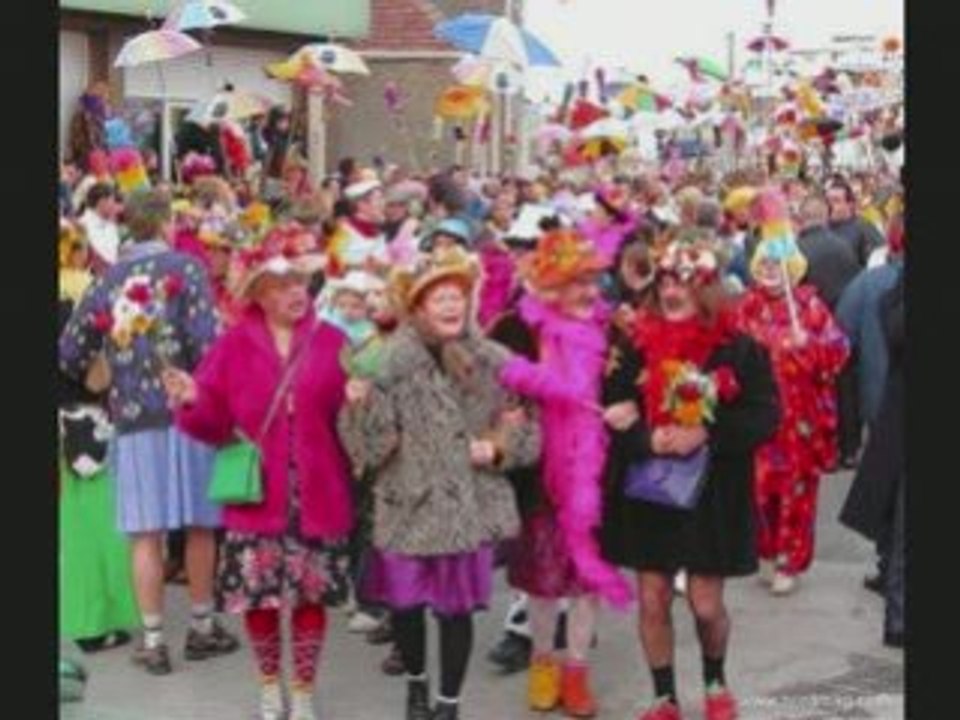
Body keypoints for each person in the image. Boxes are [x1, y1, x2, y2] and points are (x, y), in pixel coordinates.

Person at [338, 247, 541, 720]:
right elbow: (368, 449)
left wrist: (497, 448)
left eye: (458, 296)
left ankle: (448, 705)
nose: (451, 306)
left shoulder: (493, 359)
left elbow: (526, 423)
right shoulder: (388, 363)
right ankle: (416, 689)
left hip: (464, 505)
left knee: (456, 611)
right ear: (418, 307)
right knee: (406, 609)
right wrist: (358, 405)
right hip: (407, 502)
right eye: (439, 298)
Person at [163, 223, 352, 720]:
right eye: (283, 285)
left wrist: (363, 405)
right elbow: (212, 422)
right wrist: (191, 399)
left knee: (309, 598)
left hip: (318, 489)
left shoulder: (335, 342)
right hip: (258, 494)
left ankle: (305, 691)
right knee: (261, 600)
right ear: (261, 295)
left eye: (300, 283)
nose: (296, 292)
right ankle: (270, 687)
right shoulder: (233, 344)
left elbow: (353, 424)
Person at [59, 188, 238, 675]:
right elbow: (209, 345)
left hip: (135, 419)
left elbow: (69, 352)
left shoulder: (105, 281)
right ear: (164, 225)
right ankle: (202, 627)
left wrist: (110, 368)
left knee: (146, 534)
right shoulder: (188, 269)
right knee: (201, 524)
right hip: (189, 413)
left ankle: (154, 639)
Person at [601, 240, 780, 720]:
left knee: (705, 606)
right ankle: (665, 698)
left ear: (705, 287)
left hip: (712, 494)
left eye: (681, 280)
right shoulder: (632, 345)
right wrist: (645, 439)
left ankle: (715, 681)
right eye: (662, 280)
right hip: (648, 491)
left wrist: (706, 433)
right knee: (653, 598)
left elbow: (765, 415)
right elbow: (611, 411)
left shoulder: (739, 349)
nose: (670, 289)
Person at [493, 228, 633, 718]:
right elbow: (483, 376)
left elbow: (634, 384)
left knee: (586, 581)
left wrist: (627, 408)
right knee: (540, 579)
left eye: (593, 281)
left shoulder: (614, 331)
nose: (589, 292)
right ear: (550, 286)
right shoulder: (516, 330)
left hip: (595, 477)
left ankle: (576, 672)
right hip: (537, 476)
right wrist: (507, 411)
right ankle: (542, 664)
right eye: (576, 282)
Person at [737, 237, 850, 595]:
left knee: (795, 492)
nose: (771, 271)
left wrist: (811, 345)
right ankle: (767, 552)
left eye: (778, 265)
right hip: (758, 421)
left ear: (792, 269)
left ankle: (790, 561)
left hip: (799, 423)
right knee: (758, 490)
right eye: (765, 265)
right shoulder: (747, 307)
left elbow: (840, 350)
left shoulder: (810, 306)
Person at [58, 221, 139, 655]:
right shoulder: (82, 297)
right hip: (81, 425)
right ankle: (91, 623)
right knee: (90, 528)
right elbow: (94, 378)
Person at [836, 213, 905, 595]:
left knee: (888, 487)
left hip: (881, 401)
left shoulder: (869, 283)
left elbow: (840, 333)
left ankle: (887, 564)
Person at [795, 194, 860, 310]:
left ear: (800, 218)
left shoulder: (795, 250)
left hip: (811, 319)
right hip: (843, 316)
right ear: (826, 216)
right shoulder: (844, 245)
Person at [327, 175, 391, 277]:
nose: (382, 205)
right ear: (361, 205)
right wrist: (359, 266)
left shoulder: (378, 230)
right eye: (378, 200)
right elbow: (332, 263)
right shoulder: (345, 231)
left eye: (382, 199)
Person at [825, 179, 885, 267]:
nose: (829, 205)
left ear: (850, 204)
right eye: (827, 201)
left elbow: (878, 261)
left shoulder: (865, 229)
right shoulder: (821, 229)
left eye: (836, 200)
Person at [78, 182, 123, 270]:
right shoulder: (82, 225)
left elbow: (115, 252)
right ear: (102, 202)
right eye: (112, 201)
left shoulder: (110, 223)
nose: (115, 205)